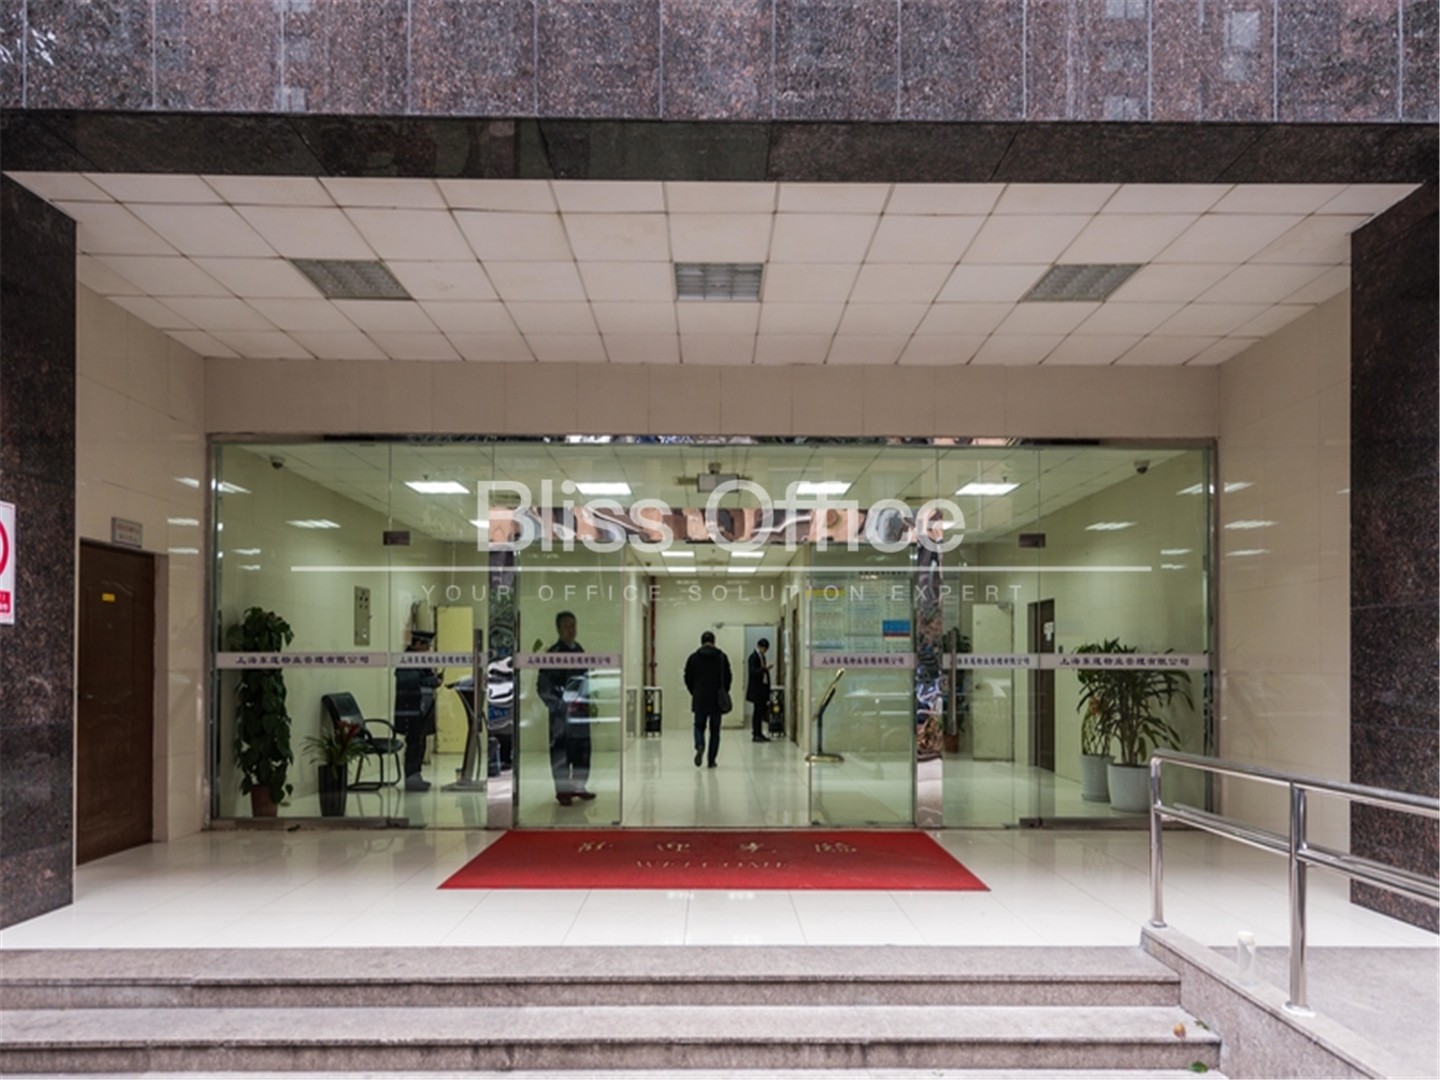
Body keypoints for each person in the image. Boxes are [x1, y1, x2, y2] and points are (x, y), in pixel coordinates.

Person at [536, 611, 594, 806]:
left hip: (580, 713)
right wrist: (558, 706)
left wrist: (587, 701)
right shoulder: (553, 655)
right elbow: (543, 686)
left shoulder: (579, 651)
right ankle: (563, 791)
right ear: (559, 629)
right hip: (561, 715)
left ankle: (579, 786)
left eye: (573, 625)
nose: (571, 630)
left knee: (582, 751)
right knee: (561, 752)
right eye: (567, 626)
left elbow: (585, 680)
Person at [395, 629, 442, 791]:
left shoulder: (419, 660)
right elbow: (411, 682)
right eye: (425, 644)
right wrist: (432, 681)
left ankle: (417, 776)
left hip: (420, 708)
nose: (428, 648)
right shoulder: (407, 660)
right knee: (414, 743)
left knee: (420, 742)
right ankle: (411, 778)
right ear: (417, 644)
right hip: (410, 709)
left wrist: (434, 680)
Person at [684, 630, 732, 769]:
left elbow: (687, 677)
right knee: (715, 730)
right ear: (714, 641)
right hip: (716, 699)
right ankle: (711, 760)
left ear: (701, 642)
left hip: (700, 697)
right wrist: (724, 691)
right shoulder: (722, 657)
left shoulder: (693, 657)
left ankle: (700, 745)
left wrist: (694, 691)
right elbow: (728, 677)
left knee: (699, 726)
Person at [747, 637, 772, 742]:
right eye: (764, 649)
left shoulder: (762, 657)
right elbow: (753, 672)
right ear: (760, 647)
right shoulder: (753, 657)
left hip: (762, 689)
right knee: (757, 712)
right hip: (757, 689)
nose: (764, 651)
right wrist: (764, 669)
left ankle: (759, 732)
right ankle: (756, 733)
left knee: (760, 711)